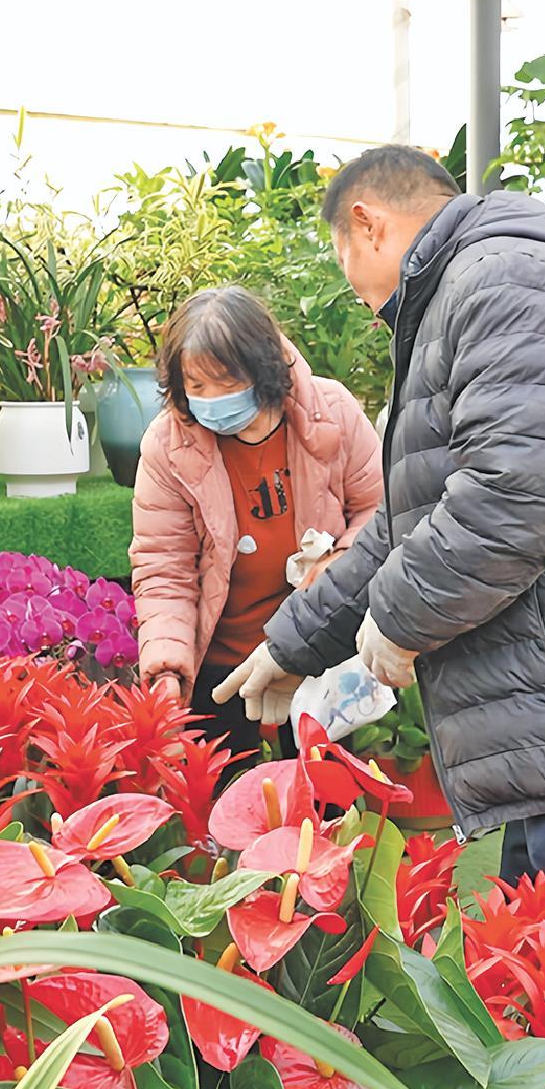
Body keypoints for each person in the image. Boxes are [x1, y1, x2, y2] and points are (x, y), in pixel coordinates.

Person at [216, 145, 545, 974]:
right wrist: (294, 642)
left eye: (342, 256)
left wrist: (398, 622)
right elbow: (407, 523)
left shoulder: (504, 281)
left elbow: (516, 495)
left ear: (366, 223)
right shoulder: (470, 292)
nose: (351, 286)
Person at [129, 285, 383, 755]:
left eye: (226, 382)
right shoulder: (168, 445)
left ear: (262, 368)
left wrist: (339, 567)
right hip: (221, 665)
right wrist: (166, 669)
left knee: (324, 792)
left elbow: (379, 512)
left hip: (317, 653)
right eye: (196, 387)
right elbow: (165, 566)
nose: (211, 399)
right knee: (223, 793)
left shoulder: (332, 412)